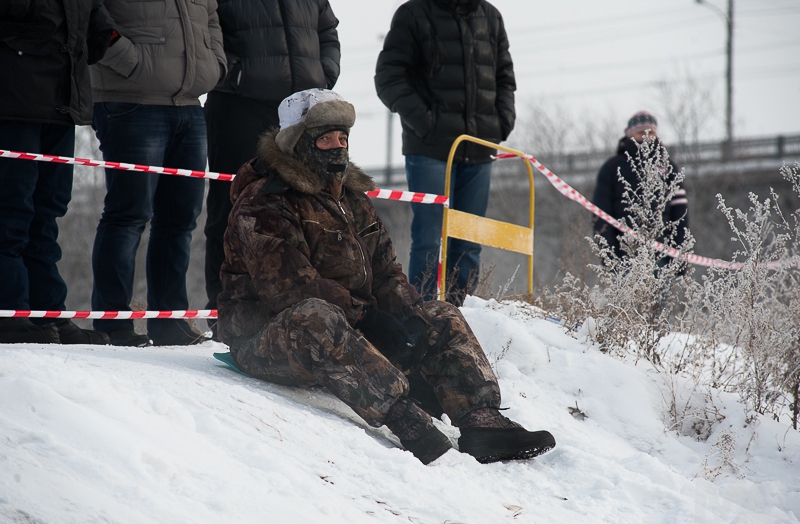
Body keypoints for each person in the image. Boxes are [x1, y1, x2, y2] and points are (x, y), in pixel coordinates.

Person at [218, 89, 555, 465]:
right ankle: (407, 421)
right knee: (315, 316)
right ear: (297, 143)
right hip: (267, 338)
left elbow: (386, 271)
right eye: (325, 139)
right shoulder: (264, 201)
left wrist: (409, 317)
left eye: (343, 138)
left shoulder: (352, 200)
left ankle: (482, 422)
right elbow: (290, 287)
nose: (338, 147)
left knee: (439, 315)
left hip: (346, 332)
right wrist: (367, 317)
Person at [89, 0, 227, 346]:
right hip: (130, 100)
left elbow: (210, 15)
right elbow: (90, 12)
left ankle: (170, 323)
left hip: (190, 105)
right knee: (128, 215)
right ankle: (113, 324)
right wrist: (128, 59)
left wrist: (214, 65)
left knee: (180, 221)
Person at [202, 0, 341, 340]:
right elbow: (203, 26)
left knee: (303, 210)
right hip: (239, 103)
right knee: (231, 209)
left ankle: (291, 311)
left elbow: (327, 29)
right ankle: (229, 316)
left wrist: (323, 74)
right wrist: (235, 73)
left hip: (301, 109)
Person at [374, 0, 516, 304]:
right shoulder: (413, 13)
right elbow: (388, 78)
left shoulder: (490, 16)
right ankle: (423, 315)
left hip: (480, 148)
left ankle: (462, 316)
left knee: (469, 242)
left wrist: (500, 124)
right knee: (429, 239)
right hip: (429, 150)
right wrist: (428, 125)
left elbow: (504, 76)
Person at [0, 0, 116, 345]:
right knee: (11, 209)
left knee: (48, 210)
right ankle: (10, 311)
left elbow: (98, 27)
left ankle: (47, 313)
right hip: (12, 101)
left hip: (63, 102)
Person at [592, 111, 689, 259]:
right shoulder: (611, 168)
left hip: (662, 255)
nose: (646, 137)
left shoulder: (669, 167)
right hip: (624, 254)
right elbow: (601, 214)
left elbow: (680, 213)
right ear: (630, 134)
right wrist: (609, 256)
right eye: (641, 132)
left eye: (651, 133)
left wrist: (680, 257)